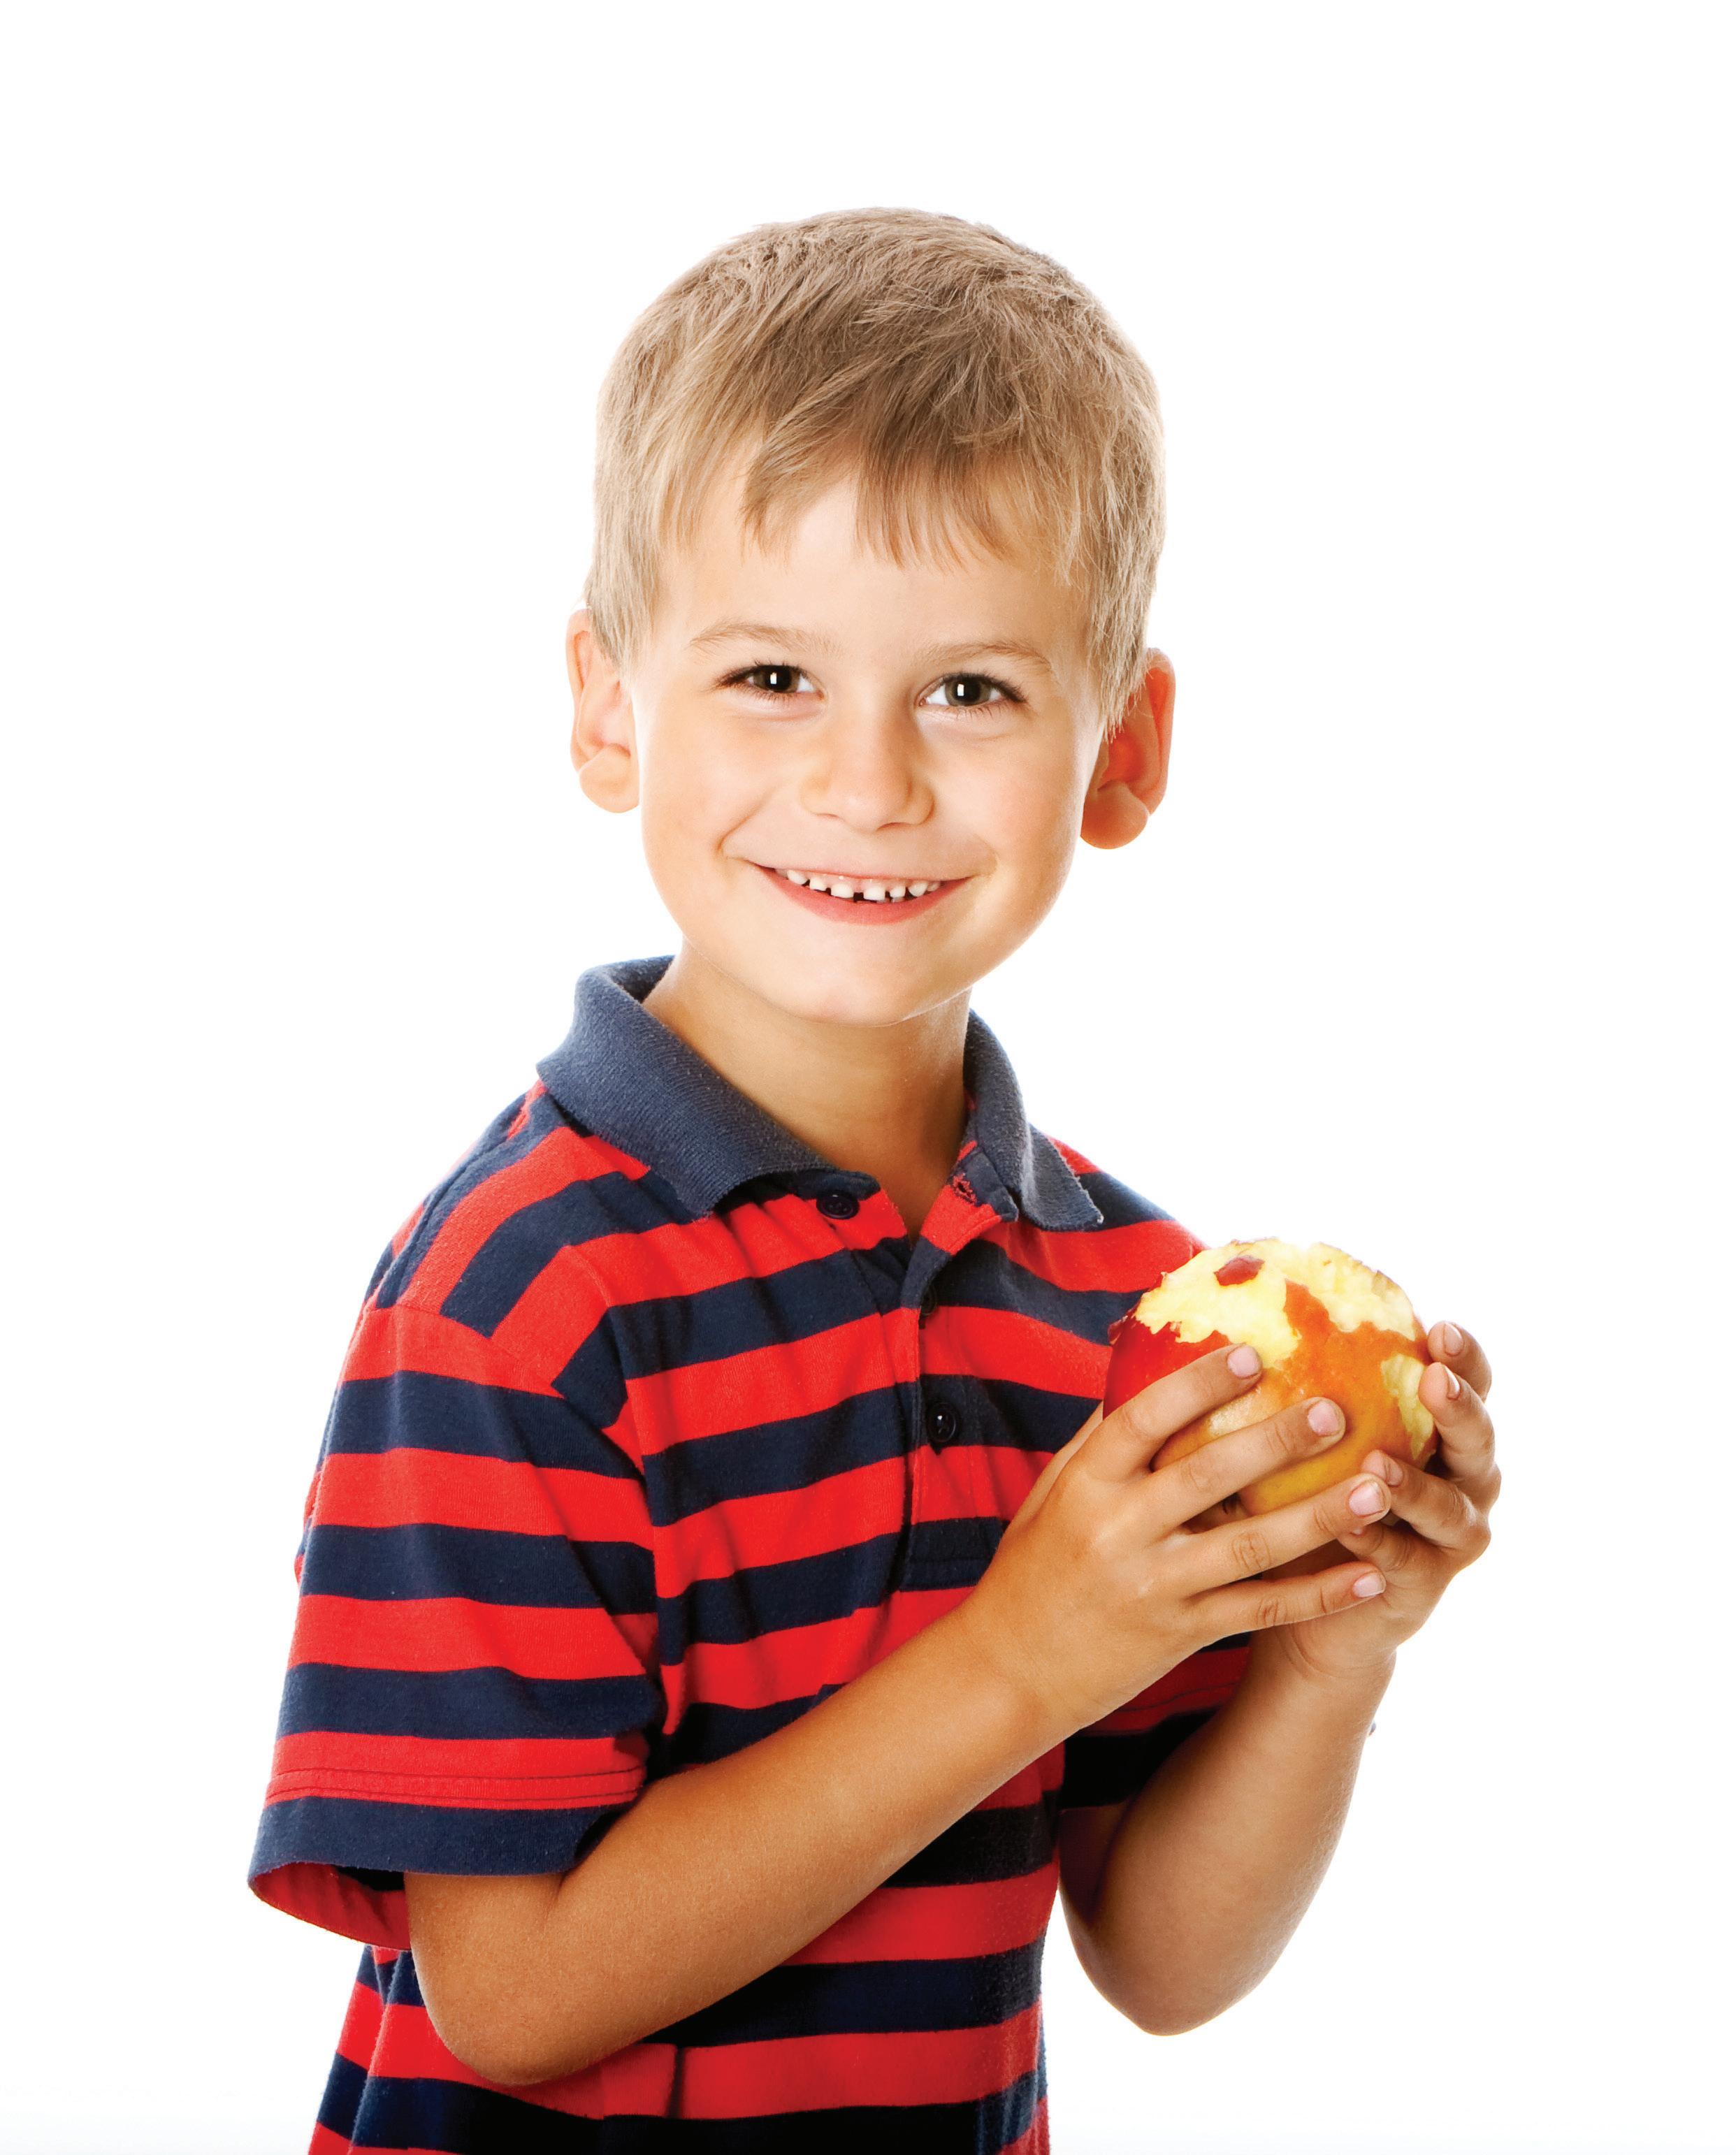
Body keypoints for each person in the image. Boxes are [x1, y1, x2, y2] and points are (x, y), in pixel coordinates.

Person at [247, 205, 1500, 2154]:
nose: (866, 781)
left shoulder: (1127, 1301)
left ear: (1122, 747)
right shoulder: (516, 1296)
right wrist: (1017, 1657)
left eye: (971, 691)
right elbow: (506, 1995)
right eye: (771, 674)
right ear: (607, 706)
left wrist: (1328, 1656)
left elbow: (1163, 1956)